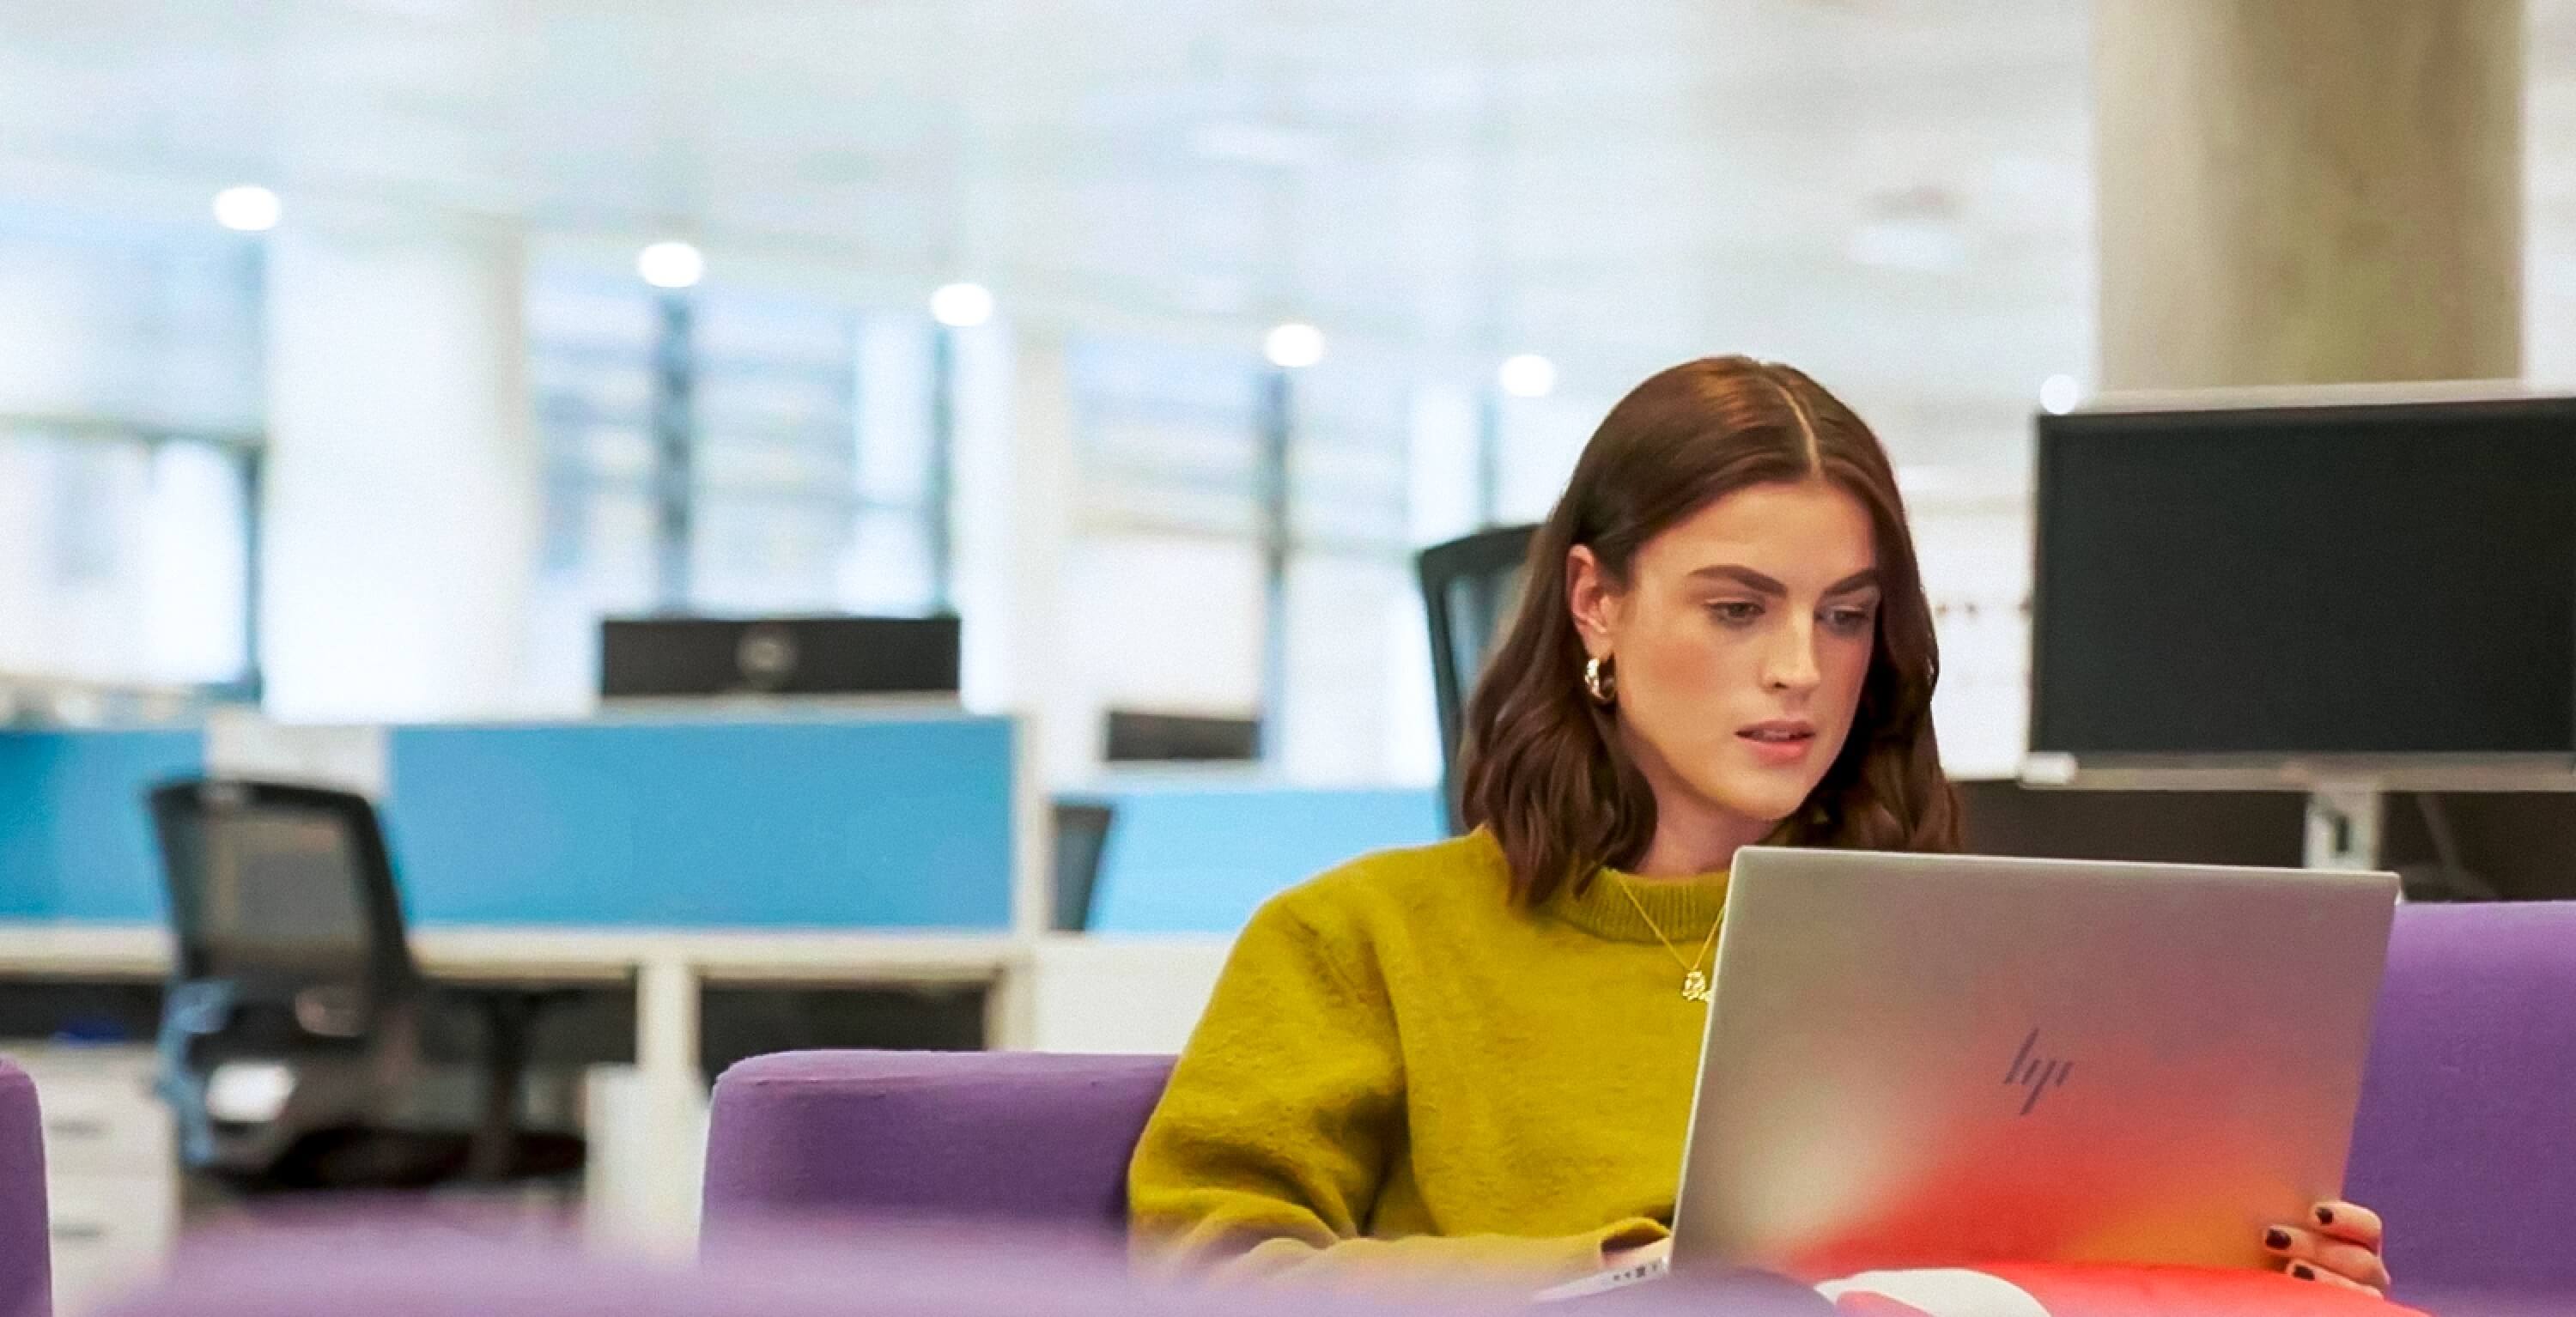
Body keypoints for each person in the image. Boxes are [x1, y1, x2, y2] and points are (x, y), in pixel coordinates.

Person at [1125, 356, 2392, 1297]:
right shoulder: (1366, 936)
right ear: (1596, 603)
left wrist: (2253, 1270)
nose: (1802, 666)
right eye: (1740, 609)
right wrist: (1634, 1280)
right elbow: (1208, 1273)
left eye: (1845, 615)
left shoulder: (1983, 952)